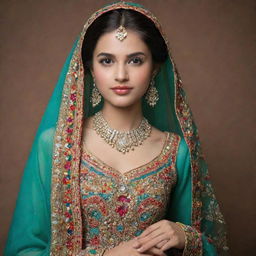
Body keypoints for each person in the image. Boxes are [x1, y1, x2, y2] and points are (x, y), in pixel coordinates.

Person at [4, 1, 229, 256]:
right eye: (107, 61)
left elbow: (212, 245)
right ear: (90, 68)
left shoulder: (176, 152)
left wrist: (184, 236)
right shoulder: (55, 145)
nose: (121, 74)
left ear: (154, 68)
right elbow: (22, 251)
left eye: (135, 60)